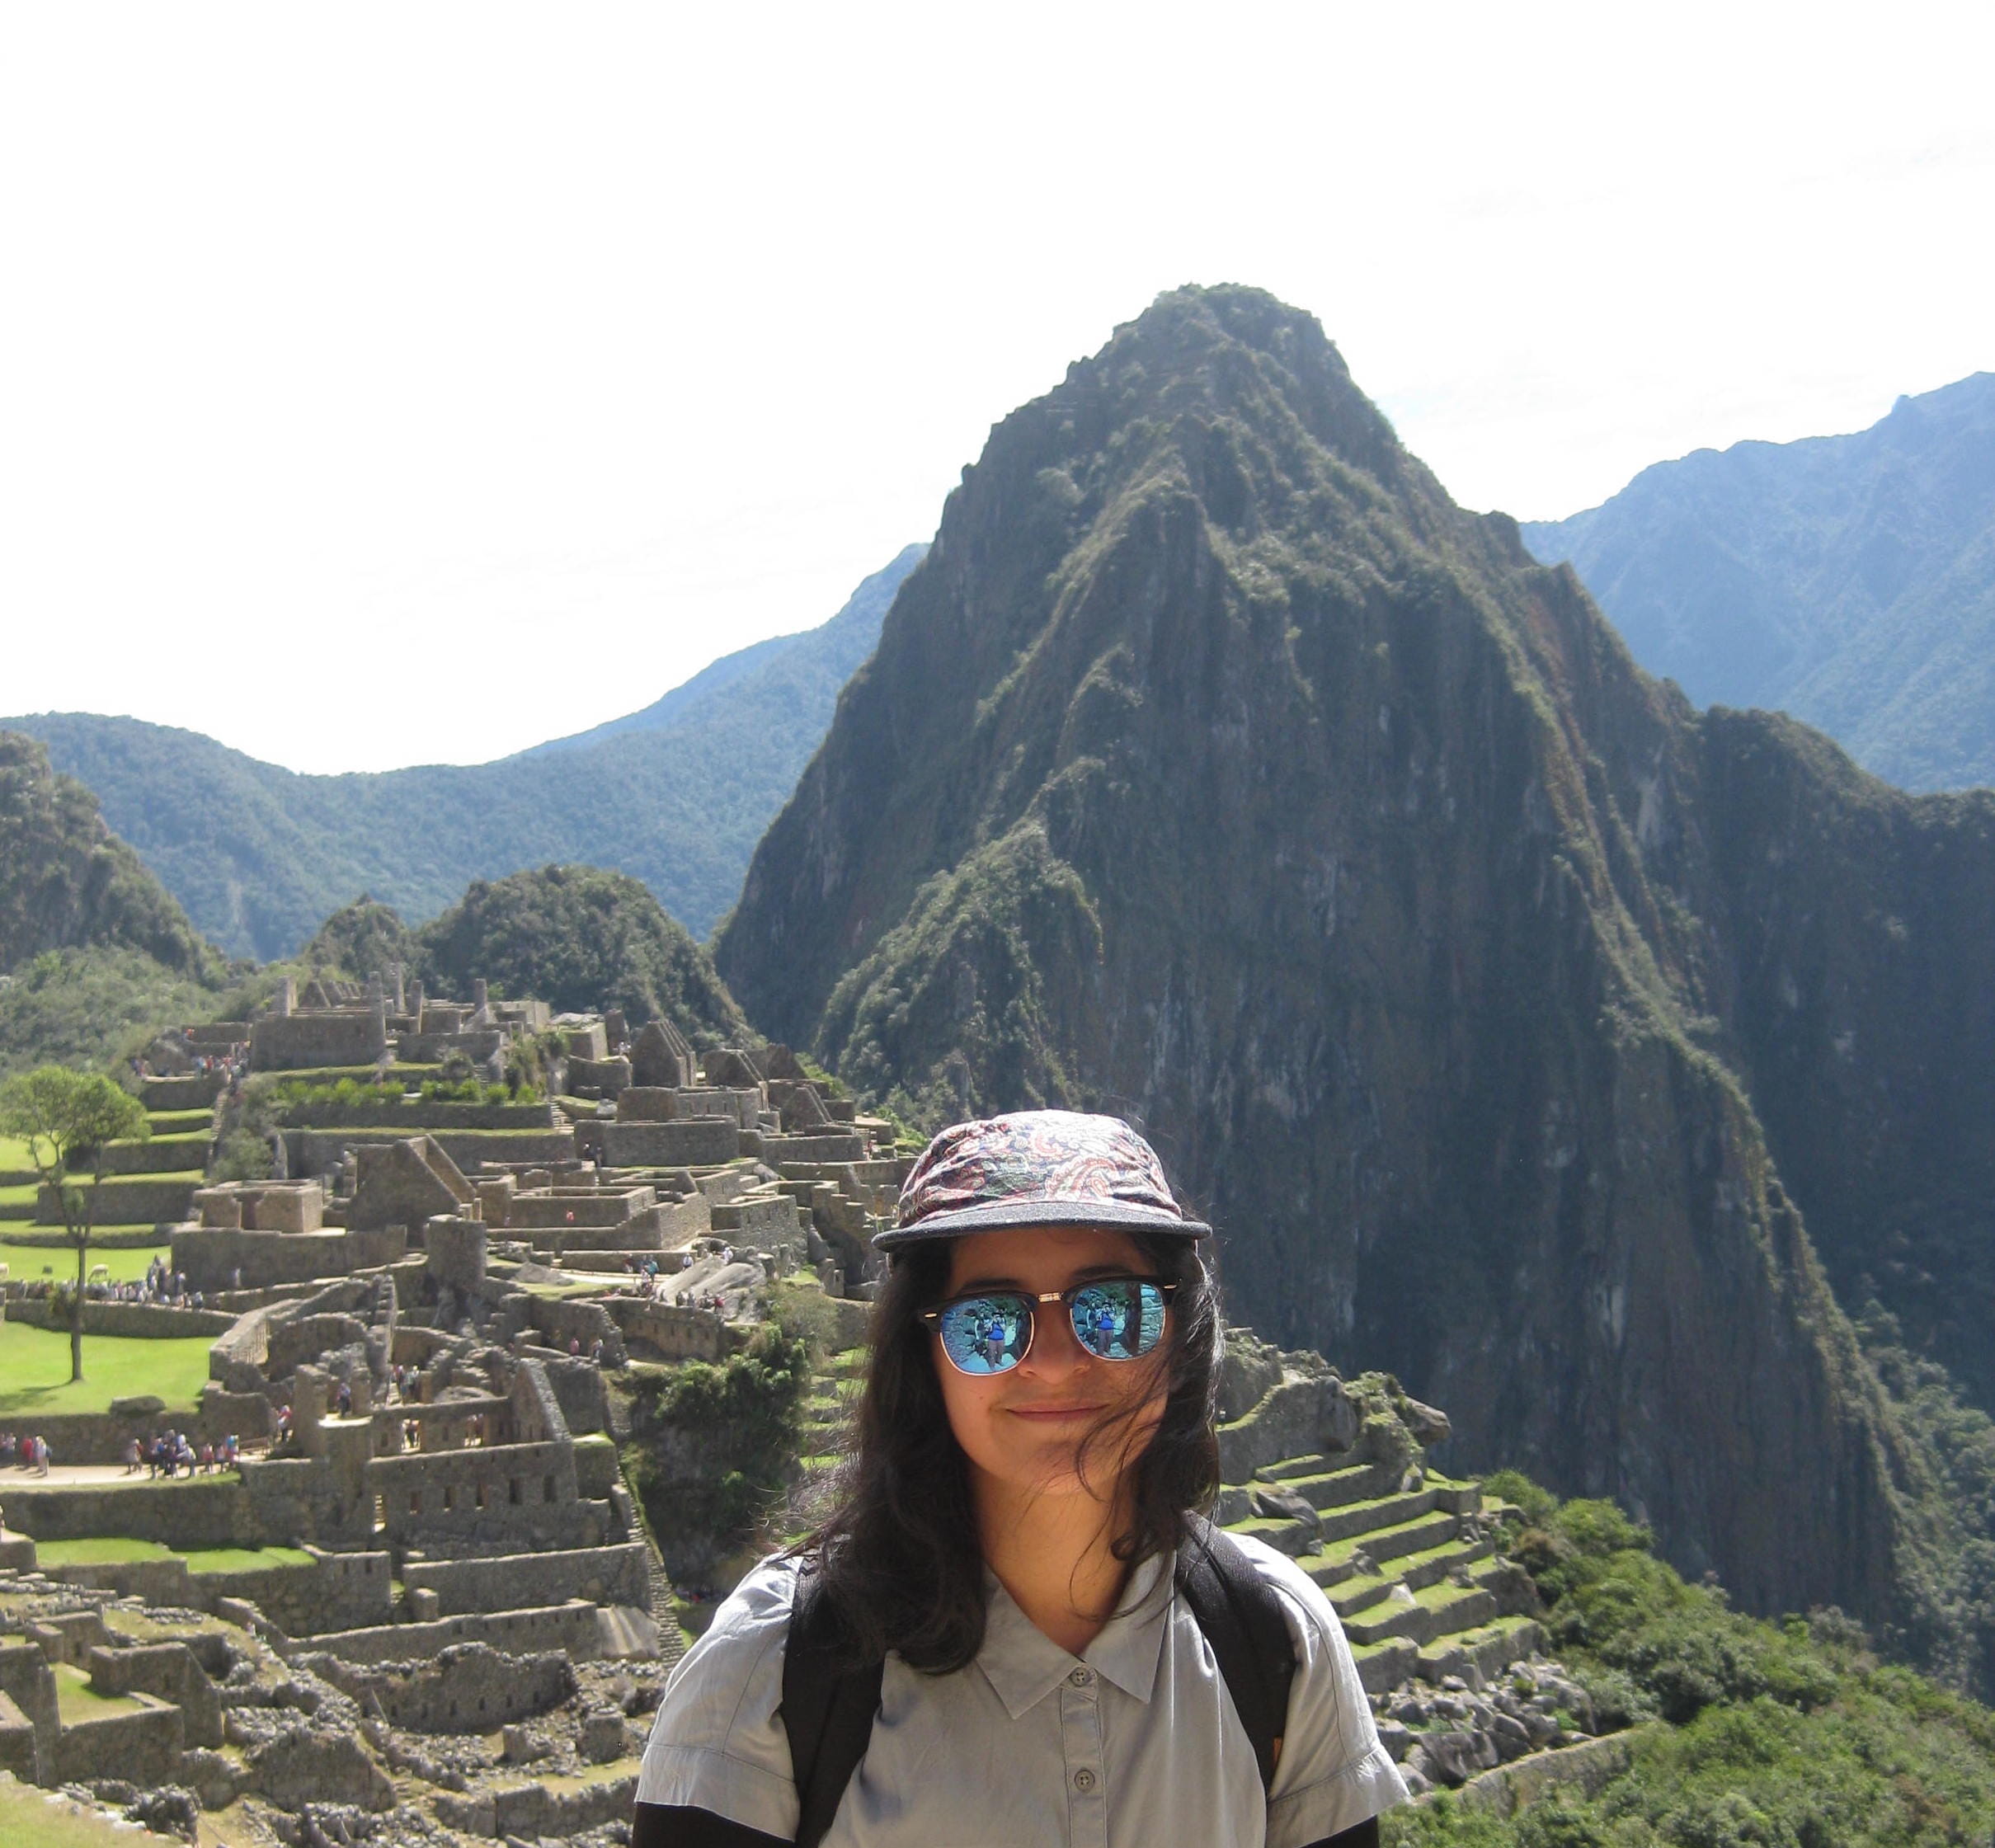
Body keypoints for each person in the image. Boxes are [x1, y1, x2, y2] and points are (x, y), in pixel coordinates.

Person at [634, 1109, 1404, 1847]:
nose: (1058, 1360)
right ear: (926, 1357)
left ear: (1179, 1335)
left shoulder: (1275, 1641)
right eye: (989, 1323)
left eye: (1111, 1310)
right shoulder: (768, 1672)